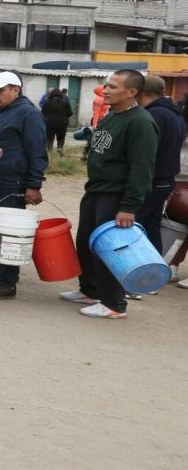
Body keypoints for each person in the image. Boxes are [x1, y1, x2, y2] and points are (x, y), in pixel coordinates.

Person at [61, 69, 158, 319]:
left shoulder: (141, 122)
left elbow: (142, 169)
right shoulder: (111, 115)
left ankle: (114, 304)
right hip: (96, 190)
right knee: (86, 243)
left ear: (131, 92)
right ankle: (90, 290)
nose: (106, 90)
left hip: (115, 195)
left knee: (110, 249)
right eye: (106, 85)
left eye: (113, 87)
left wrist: (128, 206)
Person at [0, 71, 48, 298]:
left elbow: (37, 151)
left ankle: (6, 282)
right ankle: (1, 274)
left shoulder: (29, 114)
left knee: (7, 233)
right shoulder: (2, 112)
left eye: (0, 90)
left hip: (12, 183)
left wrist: (34, 185)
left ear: (15, 90)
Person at [135, 75, 184, 258]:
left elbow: (145, 151)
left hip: (152, 179)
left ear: (140, 92)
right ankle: (154, 268)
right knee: (151, 226)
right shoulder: (174, 113)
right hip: (165, 179)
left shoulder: (153, 115)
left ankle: (137, 267)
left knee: (132, 225)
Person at [41, 87, 72, 154]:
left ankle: (49, 149)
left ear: (51, 94)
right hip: (62, 123)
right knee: (61, 137)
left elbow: (43, 113)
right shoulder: (65, 102)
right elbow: (70, 113)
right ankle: (59, 147)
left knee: (49, 138)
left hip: (50, 124)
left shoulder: (47, 103)